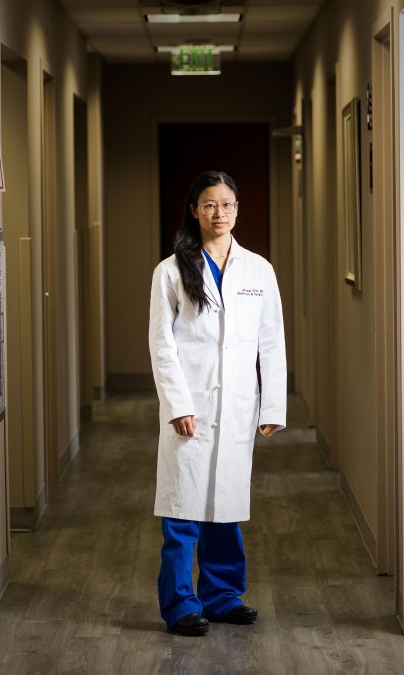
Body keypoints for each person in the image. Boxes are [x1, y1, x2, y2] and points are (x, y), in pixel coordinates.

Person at [147, 170, 287, 637]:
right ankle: (181, 604)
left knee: (225, 506)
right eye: (209, 205)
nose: (219, 214)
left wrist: (271, 407)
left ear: (237, 209)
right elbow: (162, 344)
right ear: (194, 211)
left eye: (227, 205)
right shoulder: (169, 271)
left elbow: (271, 342)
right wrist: (178, 405)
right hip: (191, 406)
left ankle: (223, 597)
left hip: (237, 409)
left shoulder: (258, 270)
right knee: (183, 509)